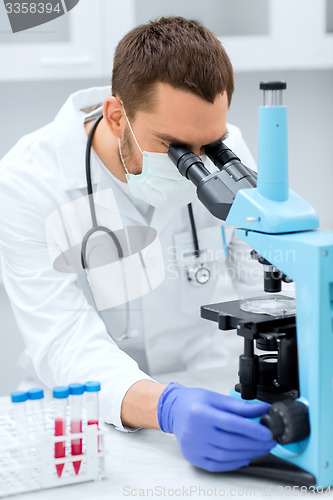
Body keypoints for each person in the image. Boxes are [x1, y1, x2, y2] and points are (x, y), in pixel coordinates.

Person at [0, 16, 275, 472]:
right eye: (175, 148)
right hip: (88, 418)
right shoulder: (28, 183)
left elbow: (260, 285)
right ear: (115, 115)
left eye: (211, 146)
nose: (199, 165)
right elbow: (64, 340)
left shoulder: (230, 151)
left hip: (214, 392)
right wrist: (166, 407)